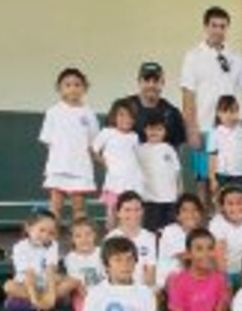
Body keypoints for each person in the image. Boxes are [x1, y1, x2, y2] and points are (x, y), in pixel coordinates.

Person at [181, 6, 242, 206]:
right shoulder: (193, 56)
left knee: (227, 183)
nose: (218, 30)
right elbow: (188, 94)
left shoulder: (236, 58)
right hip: (204, 129)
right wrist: (191, 129)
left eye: (223, 26)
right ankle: (204, 224)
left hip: (230, 130)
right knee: (203, 180)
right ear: (205, 26)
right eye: (214, 25)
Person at [40, 67, 99, 221]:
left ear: (85, 88)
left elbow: (93, 143)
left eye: (77, 84)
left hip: (80, 168)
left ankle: (80, 244)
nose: (73, 88)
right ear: (59, 89)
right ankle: (52, 242)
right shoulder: (53, 112)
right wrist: (60, 160)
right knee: (55, 207)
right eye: (68, 84)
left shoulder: (89, 113)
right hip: (58, 167)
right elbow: (48, 142)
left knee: (79, 208)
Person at [4, 209, 76, 311]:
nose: (45, 236)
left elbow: (50, 271)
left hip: (47, 284)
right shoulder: (19, 247)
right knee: (8, 286)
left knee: (72, 281)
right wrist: (35, 300)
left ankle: (44, 302)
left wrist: (51, 296)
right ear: (29, 228)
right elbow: (29, 275)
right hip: (27, 285)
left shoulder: (53, 245)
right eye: (41, 230)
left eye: (51, 233)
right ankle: (39, 303)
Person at [93, 99, 143, 229]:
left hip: (132, 181)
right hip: (113, 181)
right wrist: (105, 162)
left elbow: (138, 157)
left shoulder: (134, 136)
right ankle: (111, 239)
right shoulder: (107, 133)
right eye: (121, 114)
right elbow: (93, 150)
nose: (125, 119)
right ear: (114, 116)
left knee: (132, 212)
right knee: (112, 212)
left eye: (129, 116)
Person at [208, 185, 242, 288]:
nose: (235, 207)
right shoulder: (216, 223)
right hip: (223, 270)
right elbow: (220, 259)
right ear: (222, 207)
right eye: (230, 204)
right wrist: (226, 283)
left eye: (239, 203)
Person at [137, 112, 182, 233]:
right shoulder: (140, 149)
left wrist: (179, 192)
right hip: (149, 200)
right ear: (145, 130)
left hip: (170, 200)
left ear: (165, 131)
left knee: (169, 232)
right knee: (150, 231)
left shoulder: (169, 149)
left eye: (159, 129)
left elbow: (177, 172)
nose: (154, 132)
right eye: (151, 129)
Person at [123, 61, 186, 148]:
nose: (151, 85)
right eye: (146, 80)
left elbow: (180, 148)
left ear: (163, 83)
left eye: (156, 80)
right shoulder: (124, 108)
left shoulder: (172, 113)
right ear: (139, 82)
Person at [105, 191, 156, 287]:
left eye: (137, 209)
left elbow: (150, 272)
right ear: (118, 213)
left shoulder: (150, 237)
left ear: (143, 211)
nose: (133, 214)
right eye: (127, 210)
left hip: (141, 291)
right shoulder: (110, 238)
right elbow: (109, 273)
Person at [156, 193, 204, 289]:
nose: (190, 214)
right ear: (178, 216)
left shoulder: (203, 233)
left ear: (201, 214)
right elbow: (185, 258)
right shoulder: (170, 231)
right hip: (168, 282)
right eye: (185, 210)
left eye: (195, 210)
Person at [208, 94, 242, 198]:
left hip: (239, 174)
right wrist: (212, 179)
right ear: (218, 113)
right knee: (221, 199)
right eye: (225, 111)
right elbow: (212, 157)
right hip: (222, 175)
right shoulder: (215, 133)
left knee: (238, 199)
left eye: (233, 111)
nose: (229, 115)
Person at [64, 217, 105, 311]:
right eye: (78, 236)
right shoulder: (71, 258)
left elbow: (108, 277)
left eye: (88, 234)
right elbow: (78, 284)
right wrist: (90, 301)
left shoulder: (101, 253)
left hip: (104, 293)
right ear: (72, 239)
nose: (84, 239)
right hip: (82, 295)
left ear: (94, 235)